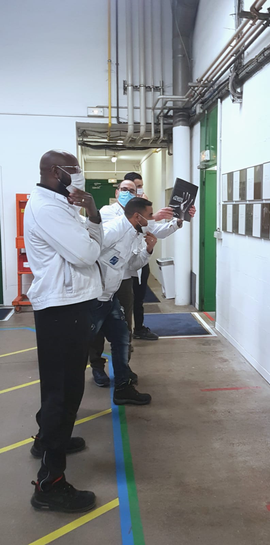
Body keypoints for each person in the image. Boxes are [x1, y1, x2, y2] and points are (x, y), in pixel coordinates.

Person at [24, 150, 103, 513]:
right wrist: (93, 220)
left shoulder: (60, 202)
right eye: (75, 169)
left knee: (61, 389)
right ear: (57, 172)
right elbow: (87, 253)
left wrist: (91, 212)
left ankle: (47, 439)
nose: (80, 174)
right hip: (61, 309)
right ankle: (50, 484)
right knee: (64, 393)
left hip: (68, 305)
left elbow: (87, 246)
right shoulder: (49, 209)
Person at [92, 197, 157, 404]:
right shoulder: (112, 230)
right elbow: (86, 255)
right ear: (137, 217)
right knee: (83, 344)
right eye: (150, 215)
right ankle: (66, 395)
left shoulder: (134, 234)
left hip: (110, 297)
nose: (152, 219)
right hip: (92, 299)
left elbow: (132, 265)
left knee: (122, 338)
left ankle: (122, 387)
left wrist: (148, 250)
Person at [124, 172, 196, 341]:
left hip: (141, 259)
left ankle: (139, 328)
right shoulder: (111, 212)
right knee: (122, 304)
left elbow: (157, 231)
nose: (138, 190)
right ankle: (123, 337)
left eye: (140, 186)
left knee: (138, 300)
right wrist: (152, 217)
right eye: (134, 187)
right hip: (120, 267)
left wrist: (180, 219)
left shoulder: (143, 210)